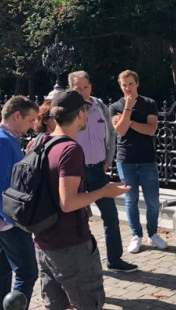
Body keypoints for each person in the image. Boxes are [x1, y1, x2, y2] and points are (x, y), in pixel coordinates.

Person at [34, 90, 131, 310]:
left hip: (44, 243)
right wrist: (104, 191)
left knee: (55, 306)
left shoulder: (40, 143)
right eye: (85, 110)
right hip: (70, 245)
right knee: (89, 304)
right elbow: (68, 202)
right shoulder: (70, 150)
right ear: (80, 114)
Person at [69, 70, 138, 272]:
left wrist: (108, 159)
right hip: (76, 172)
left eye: (86, 87)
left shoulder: (99, 106)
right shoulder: (68, 110)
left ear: (91, 87)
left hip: (98, 170)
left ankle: (114, 260)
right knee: (78, 220)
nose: (83, 91)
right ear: (71, 89)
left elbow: (111, 135)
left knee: (111, 216)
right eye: (78, 88)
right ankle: (79, 264)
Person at [0, 96, 39, 310]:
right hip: (8, 219)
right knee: (27, 272)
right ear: (17, 115)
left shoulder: (0, 137)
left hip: (3, 217)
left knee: (2, 272)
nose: (32, 126)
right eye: (30, 120)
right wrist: (15, 219)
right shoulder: (0, 142)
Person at [110, 70, 168, 253]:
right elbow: (120, 131)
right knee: (131, 199)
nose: (128, 88)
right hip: (125, 159)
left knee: (153, 200)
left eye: (130, 84)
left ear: (137, 84)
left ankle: (153, 234)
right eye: (124, 85)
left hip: (147, 159)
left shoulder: (149, 103)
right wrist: (127, 109)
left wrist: (129, 122)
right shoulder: (115, 106)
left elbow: (151, 130)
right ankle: (136, 235)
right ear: (120, 86)